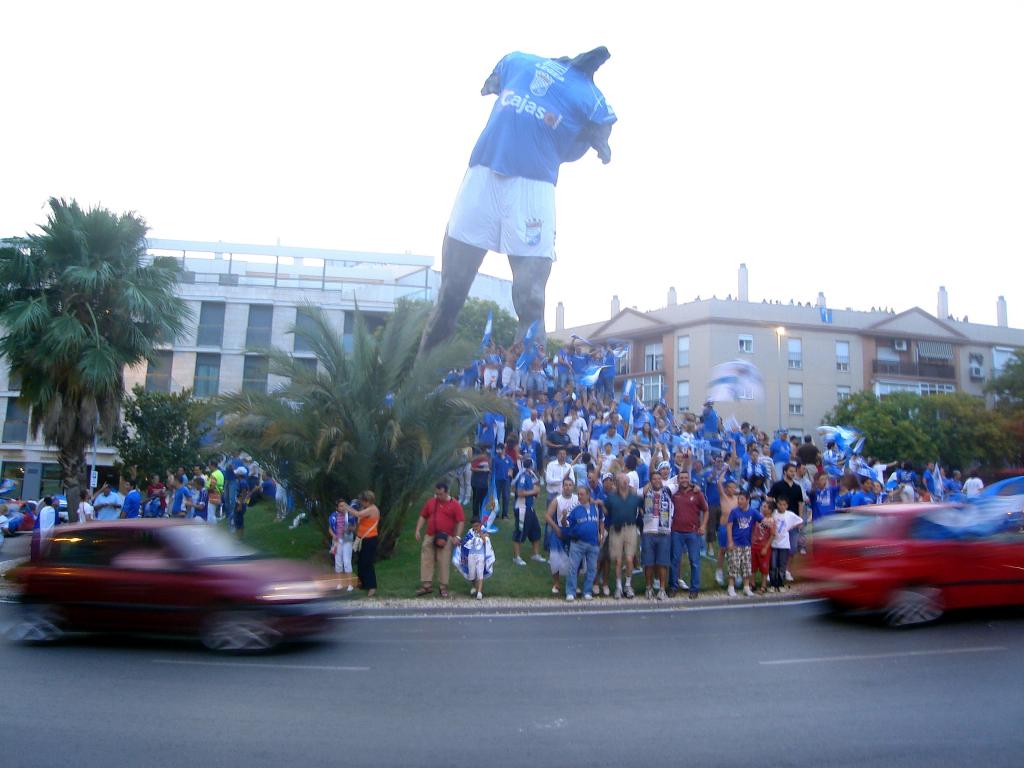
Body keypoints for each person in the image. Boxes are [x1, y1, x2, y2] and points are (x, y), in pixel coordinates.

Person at [419, 47, 616, 353]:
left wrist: (599, 140)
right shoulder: (521, 62)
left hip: (529, 184)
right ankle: (423, 384)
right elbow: (601, 135)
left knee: (528, 301)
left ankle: (525, 386)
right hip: (488, 173)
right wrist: (601, 143)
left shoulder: (583, 93)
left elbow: (600, 131)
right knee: (453, 293)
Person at [414, 482, 465, 598]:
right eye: (437, 494)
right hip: (430, 534)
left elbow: (460, 521)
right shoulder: (431, 502)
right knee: (427, 559)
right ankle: (426, 585)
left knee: (443, 561)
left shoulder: (455, 505)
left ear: (447, 492)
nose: (438, 496)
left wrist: (457, 536)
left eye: (441, 494)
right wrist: (418, 529)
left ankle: (443, 587)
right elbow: (423, 516)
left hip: (446, 537)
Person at [666, 471, 708, 599]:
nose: (684, 480)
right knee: (675, 561)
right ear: (678, 480)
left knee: (694, 561)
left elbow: (706, 510)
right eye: (681, 478)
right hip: (676, 531)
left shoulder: (697, 493)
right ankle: (673, 587)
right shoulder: (674, 493)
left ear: (689, 479)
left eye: (686, 477)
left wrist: (703, 526)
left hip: (693, 532)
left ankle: (694, 588)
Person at [604, 473, 641, 599]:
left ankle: (628, 585)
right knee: (618, 560)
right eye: (622, 480)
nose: (625, 482)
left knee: (630, 559)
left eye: (627, 480)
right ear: (617, 482)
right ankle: (619, 586)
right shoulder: (611, 497)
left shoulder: (634, 497)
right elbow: (606, 510)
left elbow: (641, 509)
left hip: (630, 528)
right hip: (616, 528)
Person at [565, 485, 602, 601]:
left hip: (593, 543)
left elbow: (600, 521)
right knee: (573, 568)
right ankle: (571, 591)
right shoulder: (575, 509)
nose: (579, 497)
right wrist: (563, 520)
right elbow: (567, 523)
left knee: (592, 568)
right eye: (578, 494)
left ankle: (587, 591)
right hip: (577, 543)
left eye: (582, 494)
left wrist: (600, 535)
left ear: (588, 495)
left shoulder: (595, 508)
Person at [640, 473, 673, 600]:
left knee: (662, 563)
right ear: (650, 481)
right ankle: (648, 588)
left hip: (664, 531)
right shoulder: (644, 492)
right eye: (654, 479)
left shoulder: (668, 491)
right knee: (648, 563)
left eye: (659, 478)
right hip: (648, 531)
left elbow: (684, 474)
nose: (657, 481)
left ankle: (662, 589)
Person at [545, 476, 578, 596]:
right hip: (559, 529)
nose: (568, 487)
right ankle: (556, 583)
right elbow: (548, 516)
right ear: (562, 486)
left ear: (573, 486)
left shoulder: (577, 498)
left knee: (574, 558)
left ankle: (574, 583)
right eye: (566, 485)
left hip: (573, 531)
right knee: (555, 558)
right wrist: (556, 528)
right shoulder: (557, 500)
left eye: (570, 485)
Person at [725, 490, 762, 597]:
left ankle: (746, 587)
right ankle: (731, 587)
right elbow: (729, 526)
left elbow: (761, 521)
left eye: (741, 499)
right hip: (736, 543)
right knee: (733, 565)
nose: (739, 501)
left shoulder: (753, 512)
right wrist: (730, 541)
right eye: (738, 499)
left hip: (747, 544)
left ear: (747, 500)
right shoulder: (734, 512)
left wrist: (768, 524)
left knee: (746, 566)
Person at [511, 459, 544, 565]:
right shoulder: (523, 477)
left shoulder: (530, 476)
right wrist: (534, 491)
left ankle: (535, 554)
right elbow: (520, 493)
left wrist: (535, 493)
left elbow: (533, 490)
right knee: (520, 531)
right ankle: (516, 557)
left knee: (536, 530)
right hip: (522, 508)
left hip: (530, 508)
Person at [348, 491, 380, 598]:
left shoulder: (373, 509)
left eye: (362, 501)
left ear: (367, 500)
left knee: (367, 562)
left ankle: (372, 586)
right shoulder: (366, 508)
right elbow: (360, 520)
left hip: (370, 539)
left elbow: (358, 514)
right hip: (362, 539)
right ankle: (362, 583)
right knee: (361, 562)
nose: (361, 503)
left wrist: (346, 507)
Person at [769, 496, 804, 591]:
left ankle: (780, 584)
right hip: (774, 543)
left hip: (784, 544)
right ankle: (773, 584)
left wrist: (790, 527)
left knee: (782, 565)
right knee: (773, 565)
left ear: (787, 506)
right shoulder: (774, 514)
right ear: (777, 504)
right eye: (780, 504)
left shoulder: (790, 514)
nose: (782, 506)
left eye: (784, 505)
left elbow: (800, 520)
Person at [328, 499, 357, 588]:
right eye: (341, 506)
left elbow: (354, 528)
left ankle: (350, 584)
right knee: (338, 562)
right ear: (337, 507)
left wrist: (349, 529)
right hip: (337, 542)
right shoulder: (333, 516)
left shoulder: (350, 515)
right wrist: (333, 535)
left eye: (344, 505)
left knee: (347, 561)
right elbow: (330, 529)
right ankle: (340, 583)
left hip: (347, 540)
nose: (343, 507)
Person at [751, 506, 775, 594]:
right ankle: (752, 584)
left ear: (770, 510)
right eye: (763, 506)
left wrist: (766, 547)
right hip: (754, 545)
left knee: (764, 567)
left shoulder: (771, 521)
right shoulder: (757, 518)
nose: (763, 508)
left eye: (766, 507)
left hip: (763, 546)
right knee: (752, 566)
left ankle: (763, 585)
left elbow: (772, 535)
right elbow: (753, 529)